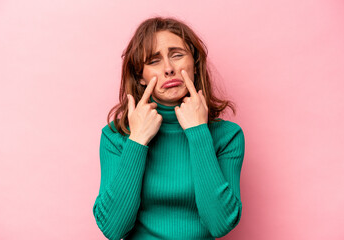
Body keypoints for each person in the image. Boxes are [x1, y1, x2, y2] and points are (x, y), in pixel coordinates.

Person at [92, 16, 245, 240]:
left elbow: (220, 224)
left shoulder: (228, 136)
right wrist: (137, 140)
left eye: (177, 55)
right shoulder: (115, 136)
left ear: (194, 64)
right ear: (140, 77)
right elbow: (113, 229)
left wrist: (198, 132)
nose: (169, 69)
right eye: (154, 61)